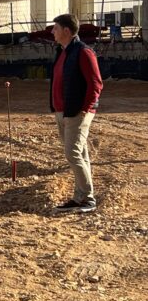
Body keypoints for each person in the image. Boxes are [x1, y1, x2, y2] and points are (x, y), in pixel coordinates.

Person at [50, 13, 103, 214]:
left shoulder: (83, 52)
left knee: (72, 153)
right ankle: (80, 197)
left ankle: (88, 199)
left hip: (76, 112)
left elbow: (96, 83)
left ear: (66, 30)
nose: (52, 32)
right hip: (63, 111)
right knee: (80, 154)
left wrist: (85, 108)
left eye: (55, 28)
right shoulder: (63, 52)